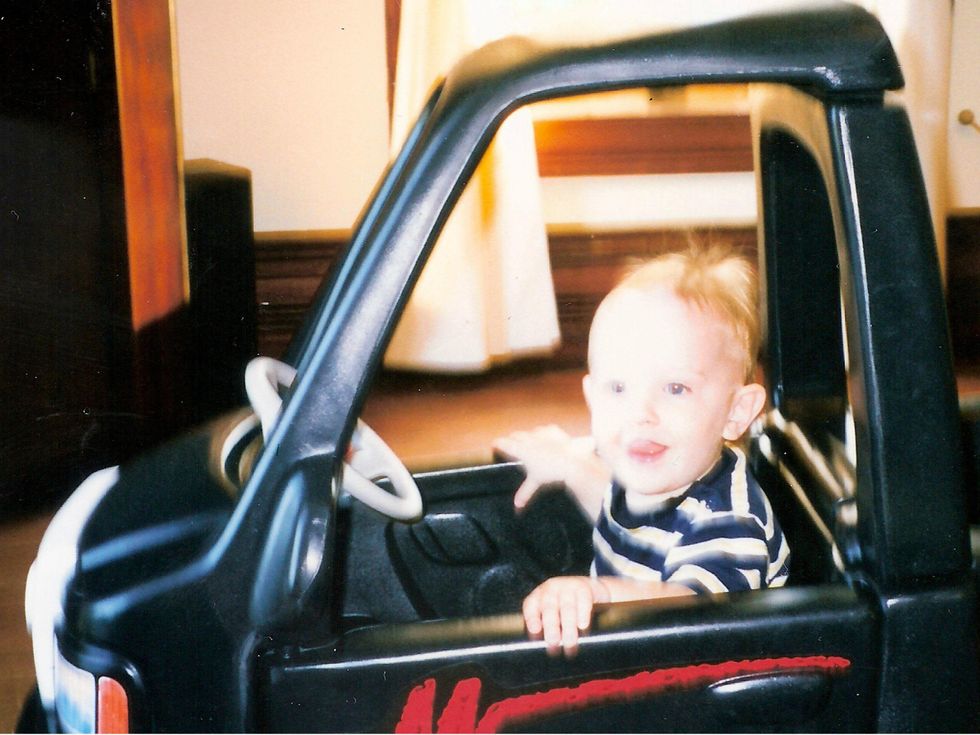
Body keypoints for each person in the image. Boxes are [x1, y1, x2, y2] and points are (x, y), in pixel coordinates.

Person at [494, 246, 790, 656]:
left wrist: (596, 594)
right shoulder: (655, 465)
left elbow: (694, 608)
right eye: (618, 388)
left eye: (675, 388)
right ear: (592, 398)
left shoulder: (729, 521)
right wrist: (571, 464)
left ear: (735, 412)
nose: (640, 414)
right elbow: (627, 512)